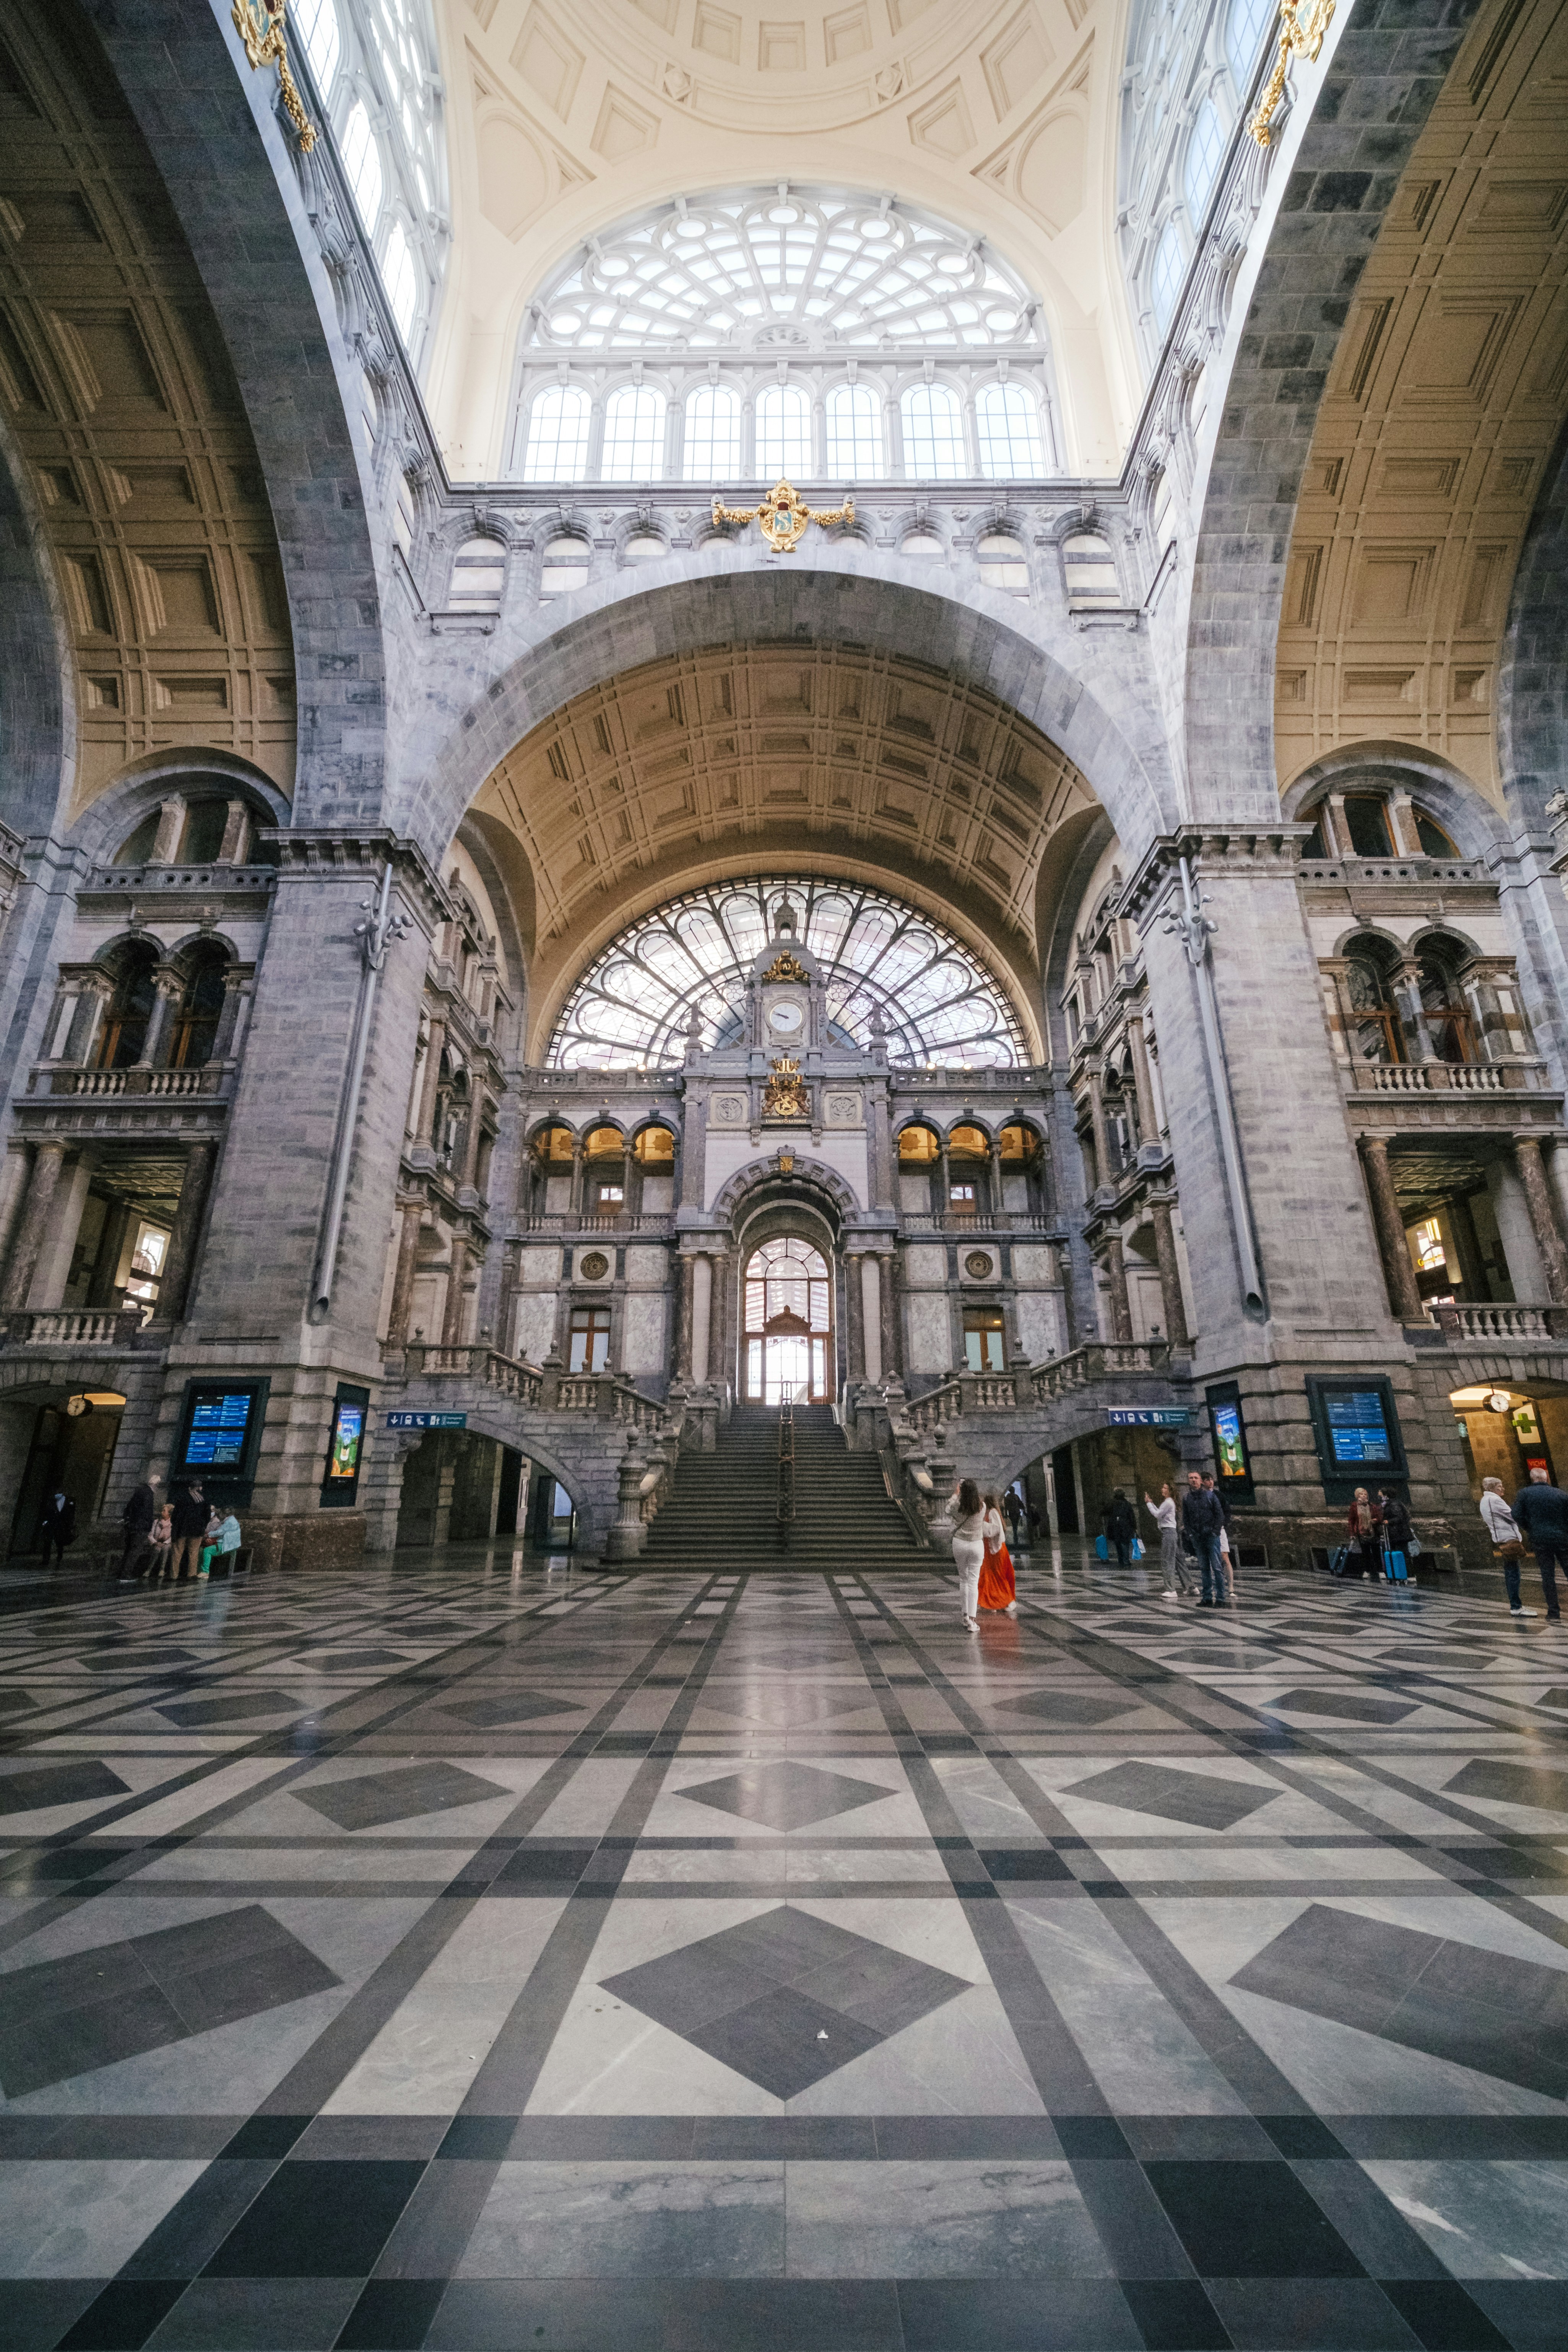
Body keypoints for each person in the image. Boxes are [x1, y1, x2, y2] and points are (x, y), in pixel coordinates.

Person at [1511, 1465, 1568, 1622]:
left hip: (1540, 1539)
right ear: (1546, 1478)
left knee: (1547, 1575)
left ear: (1533, 1479)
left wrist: (1530, 1528)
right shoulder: (1561, 1494)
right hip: (1562, 1538)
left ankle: (1554, 1613)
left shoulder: (1525, 1494)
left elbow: (1516, 1514)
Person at [1479, 1477, 1536, 1618]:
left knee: (1512, 1572)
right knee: (1513, 1574)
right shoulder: (1494, 1500)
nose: (1503, 1489)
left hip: (1502, 1538)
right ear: (1492, 1488)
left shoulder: (1485, 1500)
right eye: (1499, 1487)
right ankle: (1516, 1607)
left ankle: (1516, 1605)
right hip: (1508, 1539)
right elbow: (1513, 1516)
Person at [1181, 1469, 1226, 1605]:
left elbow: (1219, 1515)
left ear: (1201, 1481)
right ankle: (1207, 1597)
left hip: (1211, 1536)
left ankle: (1220, 1598)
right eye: (1191, 1478)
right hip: (1198, 1537)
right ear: (1188, 1481)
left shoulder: (1210, 1496)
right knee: (1204, 1568)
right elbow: (1186, 1518)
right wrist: (1190, 1533)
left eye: (1196, 1478)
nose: (1194, 1480)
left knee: (1217, 1567)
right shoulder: (1187, 1498)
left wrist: (1215, 1532)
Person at [1144, 1481, 1191, 1601]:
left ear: (1170, 1491)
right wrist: (1151, 1503)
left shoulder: (1168, 1502)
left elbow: (1157, 1515)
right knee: (1178, 1560)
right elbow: (1161, 1514)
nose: (1162, 1489)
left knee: (1167, 1561)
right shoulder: (1169, 1502)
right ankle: (1191, 1587)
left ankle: (1171, 1590)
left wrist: (1149, 1504)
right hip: (1171, 1532)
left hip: (1169, 1533)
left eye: (1165, 1488)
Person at [950, 1478, 986, 1630]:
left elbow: (948, 1510)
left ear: (962, 1492)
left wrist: (956, 1494)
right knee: (973, 1582)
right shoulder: (982, 1507)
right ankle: (972, 1619)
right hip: (976, 1544)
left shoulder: (957, 1507)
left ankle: (965, 1616)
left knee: (963, 1580)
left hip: (960, 1543)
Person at [117, 1471, 161, 1583]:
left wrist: (128, 1521)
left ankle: (121, 1573)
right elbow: (147, 1512)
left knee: (129, 1550)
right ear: (156, 1485)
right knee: (135, 1551)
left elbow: (129, 1508)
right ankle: (126, 1575)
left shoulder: (139, 1492)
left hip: (132, 1526)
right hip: (141, 1527)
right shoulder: (149, 1494)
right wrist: (148, 1526)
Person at [978, 1491, 1016, 1612]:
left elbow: (995, 1529)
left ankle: (1008, 1600)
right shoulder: (986, 1513)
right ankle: (992, 1602)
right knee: (989, 1577)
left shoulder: (993, 1512)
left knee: (999, 1576)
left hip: (996, 1550)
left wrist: (981, 1525)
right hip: (989, 1551)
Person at [1202, 1473, 1236, 1603]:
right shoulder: (1200, 1496)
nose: (1211, 1482)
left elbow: (1226, 1511)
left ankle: (1231, 1587)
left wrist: (1223, 1524)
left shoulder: (1219, 1495)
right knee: (1210, 1559)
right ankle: (1214, 1587)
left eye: (1212, 1480)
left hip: (1219, 1529)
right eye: (1207, 1480)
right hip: (1207, 1530)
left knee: (1225, 1556)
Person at [167, 1481, 207, 1584]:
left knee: (177, 1552)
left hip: (182, 1530)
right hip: (197, 1531)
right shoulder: (204, 1500)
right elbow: (207, 1517)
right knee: (194, 1552)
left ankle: (174, 1575)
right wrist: (202, 1526)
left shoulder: (182, 1498)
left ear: (190, 1488)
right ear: (200, 1488)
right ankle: (192, 1574)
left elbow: (175, 1516)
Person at [1344, 1487, 1381, 1580]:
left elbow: (1379, 1517)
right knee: (1366, 1553)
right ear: (1358, 1496)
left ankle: (1380, 1571)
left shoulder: (1372, 1506)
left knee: (1377, 1552)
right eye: (1362, 1494)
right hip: (1362, 1532)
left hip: (1373, 1532)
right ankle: (1367, 1571)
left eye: (1365, 1494)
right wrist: (1352, 1533)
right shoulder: (1354, 1506)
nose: (1364, 1496)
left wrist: (1376, 1520)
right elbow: (1351, 1520)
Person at [1378, 1488, 1414, 1580]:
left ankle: (1409, 1575)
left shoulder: (1394, 1504)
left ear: (1387, 1495)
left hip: (1399, 1533)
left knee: (1403, 1553)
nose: (1380, 1497)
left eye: (1382, 1495)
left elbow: (1399, 1517)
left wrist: (1388, 1521)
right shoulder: (1391, 1504)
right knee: (1400, 1553)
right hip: (1396, 1533)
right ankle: (1401, 1574)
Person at [38, 1488, 75, 1570]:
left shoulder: (69, 1501)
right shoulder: (52, 1501)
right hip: (51, 1524)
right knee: (47, 1542)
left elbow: (71, 1514)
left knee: (59, 1542)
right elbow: (47, 1512)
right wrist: (45, 1522)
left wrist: (70, 1525)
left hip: (61, 1525)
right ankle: (46, 1559)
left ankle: (60, 1555)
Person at [142, 1499, 174, 1586]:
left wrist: (165, 1543)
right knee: (157, 1549)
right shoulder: (156, 1522)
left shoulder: (173, 1523)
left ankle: (162, 1570)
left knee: (165, 1548)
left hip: (167, 1543)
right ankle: (149, 1570)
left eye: (164, 1511)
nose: (162, 1512)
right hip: (156, 1543)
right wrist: (155, 1543)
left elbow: (172, 1537)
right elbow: (151, 1535)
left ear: (170, 1514)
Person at [1103, 1489, 1136, 1567]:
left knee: (1118, 1543)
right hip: (1125, 1526)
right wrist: (1134, 1527)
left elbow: (1104, 1512)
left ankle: (1121, 1560)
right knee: (1125, 1544)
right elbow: (1132, 1516)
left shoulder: (1112, 1503)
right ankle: (1126, 1561)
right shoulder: (1127, 1504)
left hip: (1115, 1526)